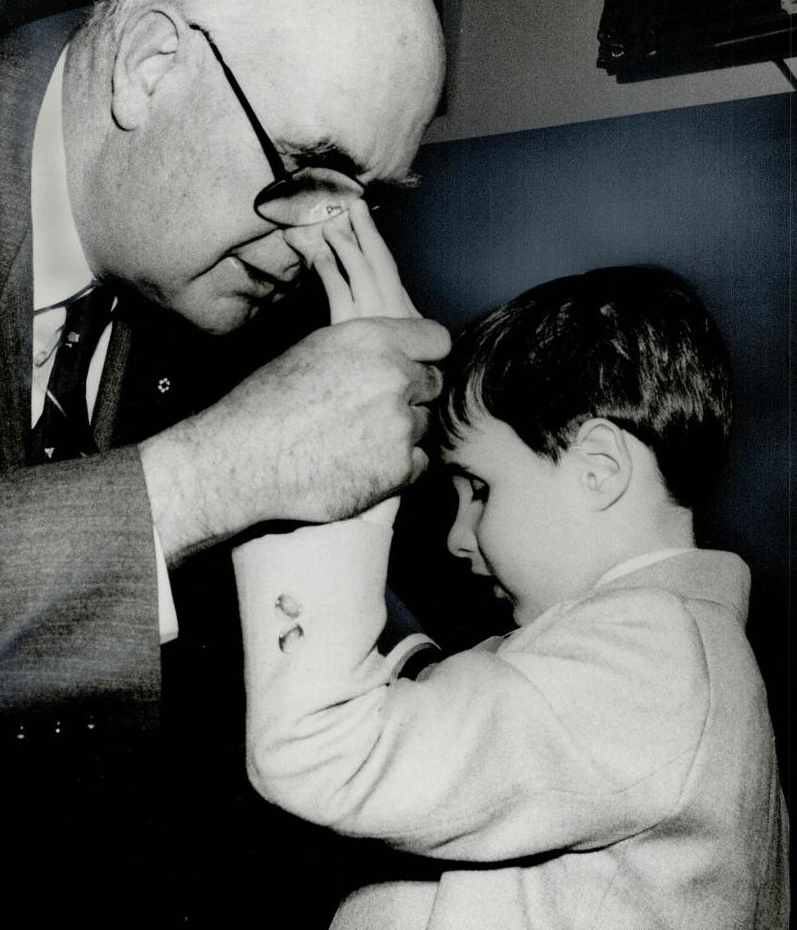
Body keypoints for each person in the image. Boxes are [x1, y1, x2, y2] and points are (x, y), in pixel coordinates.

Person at [0, 0, 448, 922]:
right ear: (149, 65)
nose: (319, 248)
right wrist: (217, 472)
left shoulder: (190, 266)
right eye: (309, 173)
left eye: (370, 200)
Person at [235, 262, 790, 929]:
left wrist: (331, 480)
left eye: (478, 489)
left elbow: (323, 750)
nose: (457, 538)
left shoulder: (648, 664)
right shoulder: (675, 658)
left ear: (597, 469)